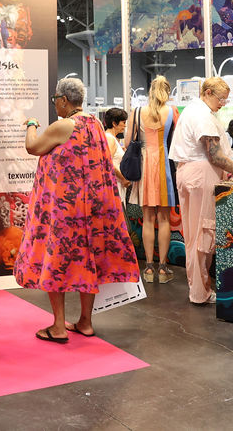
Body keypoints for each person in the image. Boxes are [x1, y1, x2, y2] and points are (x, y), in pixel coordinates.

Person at [15, 77, 139, 342]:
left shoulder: (64, 125)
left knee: (56, 262)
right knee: (87, 261)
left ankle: (58, 326)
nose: (55, 105)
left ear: (62, 100)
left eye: (55, 100)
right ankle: (85, 321)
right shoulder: (94, 124)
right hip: (93, 208)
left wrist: (32, 125)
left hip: (66, 210)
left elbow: (32, 147)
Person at [169, 77, 233, 305]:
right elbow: (215, 155)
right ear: (209, 92)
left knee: (194, 236)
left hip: (190, 174)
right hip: (200, 176)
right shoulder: (202, 115)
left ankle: (199, 289)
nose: (223, 103)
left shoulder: (194, 111)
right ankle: (200, 292)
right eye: (221, 98)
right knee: (203, 235)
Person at [126, 76, 178, 284]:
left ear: (150, 91)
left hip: (144, 167)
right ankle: (163, 269)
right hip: (165, 166)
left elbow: (129, 141)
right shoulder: (172, 112)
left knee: (148, 219)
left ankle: (148, 268)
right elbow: (180, 140)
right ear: (167, 91)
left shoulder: (137, 112)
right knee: (164, 219)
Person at [103, 107, 130, 197]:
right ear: (114, 123)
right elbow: (108, 161)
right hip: (114, 184)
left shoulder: (113, 139)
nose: (125, 126)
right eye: (123, 122)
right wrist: (123, 179)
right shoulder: (109, 138)